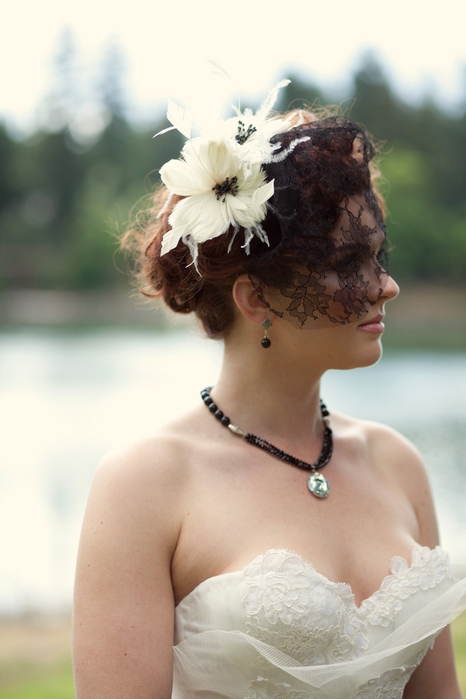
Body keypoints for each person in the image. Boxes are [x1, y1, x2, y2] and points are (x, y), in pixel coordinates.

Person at [72, 81, 466, 698]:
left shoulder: (398, 464)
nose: (385, 285)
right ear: (257, 298)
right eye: (347, 266)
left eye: (377, 256)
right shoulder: (145, 482)